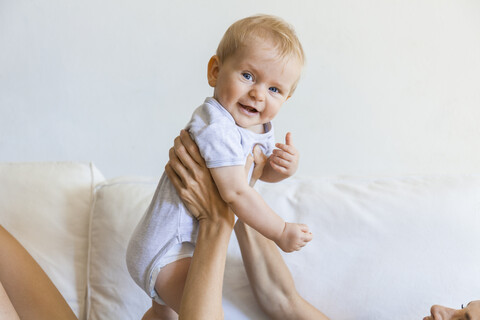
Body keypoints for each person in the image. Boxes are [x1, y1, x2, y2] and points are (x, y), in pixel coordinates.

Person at [126, 14, 312, 318]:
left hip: (181, 245)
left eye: (275, 90)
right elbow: (235, 192)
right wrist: (280, 231)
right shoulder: (216, 125)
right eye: (248, 76)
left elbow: (252, 173)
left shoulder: (255, 127)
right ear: (215, 71)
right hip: (166, 249)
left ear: (287, 98)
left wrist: (279, 170)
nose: (258, 94)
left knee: (165, 314)